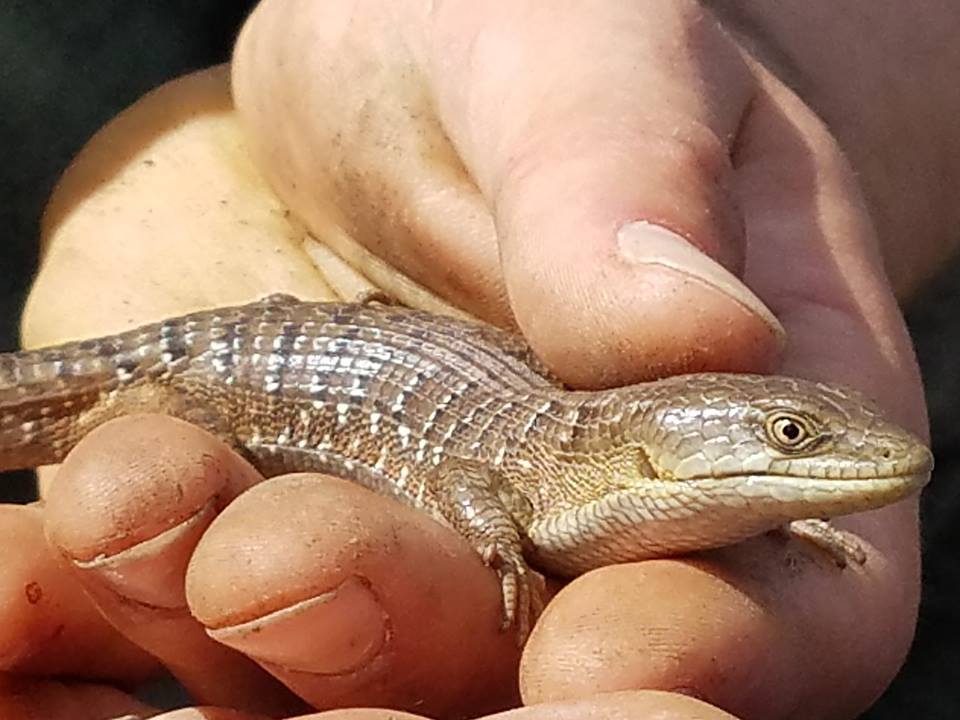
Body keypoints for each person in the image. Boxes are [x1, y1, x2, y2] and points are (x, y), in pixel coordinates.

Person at [2, 2, 957, 718]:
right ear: (660, 455)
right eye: (791, 438)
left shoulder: (621, 471)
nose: (830, 458)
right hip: (201, 366)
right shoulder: (544, 477)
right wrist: (495, 541)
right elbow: (468, 474)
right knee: (147, 485)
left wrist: (760, 61)